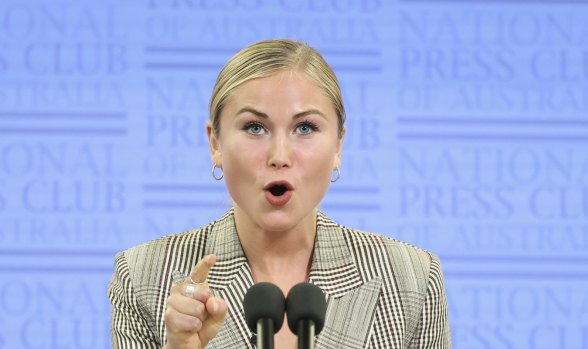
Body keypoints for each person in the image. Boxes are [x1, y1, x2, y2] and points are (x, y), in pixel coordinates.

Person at [108, 39, 451, 349]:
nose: (280, 157)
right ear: (215, 142)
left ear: (338, 146)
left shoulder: (412, 278)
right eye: (254, 128)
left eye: (305, 128)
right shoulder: (142, 275)